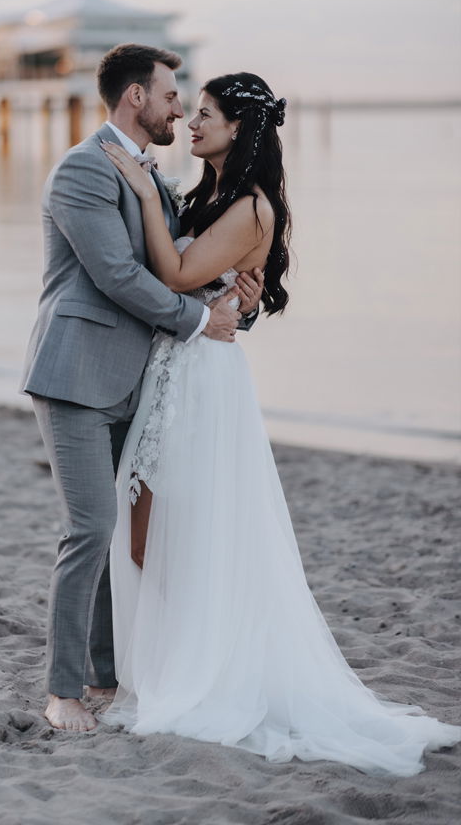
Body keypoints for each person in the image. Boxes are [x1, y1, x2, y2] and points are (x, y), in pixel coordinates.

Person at [98, 71, 461, 776]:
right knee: (144, 528)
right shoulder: (211, 194)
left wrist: (145, 193)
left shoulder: (253, 207)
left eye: (206, 115)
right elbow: (210, 279)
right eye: (191, 112)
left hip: (204, 381)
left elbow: (175, 272)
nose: (193, 124)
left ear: (242, 128)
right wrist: (165, 205)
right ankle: (179, 656)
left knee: (172, 526)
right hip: (179, 373)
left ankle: (203, 665)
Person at [21, 46, 264, 732]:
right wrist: (199, 321)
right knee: (89, 530)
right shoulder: (81, 170)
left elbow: (178, 259)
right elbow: (118, 276)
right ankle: (62, 692)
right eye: (169, 95)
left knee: (131, 537)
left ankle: (104, 676)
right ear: (135, 97)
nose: (179, 107)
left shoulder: (150, 175)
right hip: (74, 374)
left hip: (136, 380)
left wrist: (234, 295)